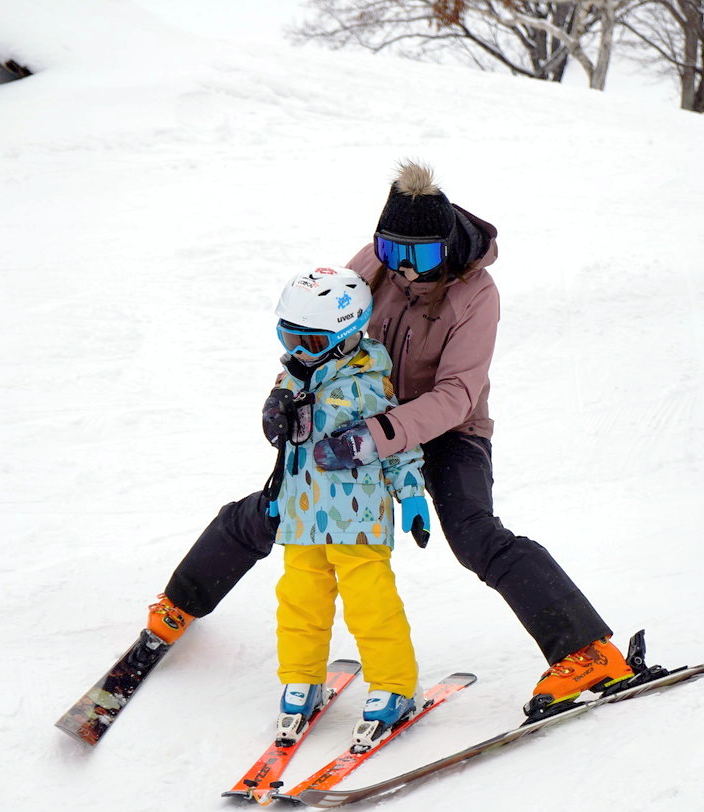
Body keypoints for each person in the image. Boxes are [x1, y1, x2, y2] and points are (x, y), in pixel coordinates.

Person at [146, 160, 634, 718]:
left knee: (475, 532)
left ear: (446, 247)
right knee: (273, 510)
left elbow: (457, 394)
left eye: (419, 257)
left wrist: (378, 437)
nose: (403, 271)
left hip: (447, 430)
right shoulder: (376, 265)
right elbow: (323, 330)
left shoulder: (477, 295)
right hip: (352, 412)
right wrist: (283, 396)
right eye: (390, 251)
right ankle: (178, 604)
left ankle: (588, 651)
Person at [263, 266, 428, 749]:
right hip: (300, 518)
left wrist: (412, 493)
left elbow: (400, 443)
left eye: (308, 344)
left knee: (372, 608)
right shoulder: (293, 374)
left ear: (348, 336)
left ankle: (395, 685)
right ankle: (301, 678)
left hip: (357, 522)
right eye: (288, 337)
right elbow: (287, 441)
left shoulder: (369, 382)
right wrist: (274, 410)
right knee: (298, 604)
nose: (296, 353)